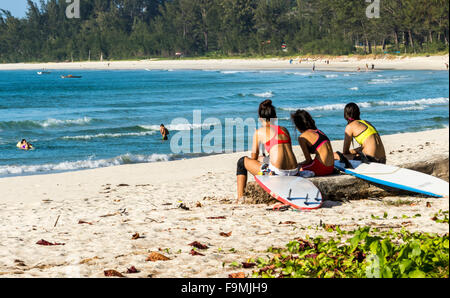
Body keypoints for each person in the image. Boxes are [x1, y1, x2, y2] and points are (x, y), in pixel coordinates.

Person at [236, 100, 298, 200]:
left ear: (260, 119)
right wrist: (265, 159)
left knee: (242, 161)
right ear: (275, 117)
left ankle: (240, 198)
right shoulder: (284, 130)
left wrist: (261, 159)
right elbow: (284, 153)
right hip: (294, 172)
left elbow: (253, 158)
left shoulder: (259, 132)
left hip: (278, 174)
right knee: (263, 159)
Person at [291, 110, 335, 176]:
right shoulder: (319, 132)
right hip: (330, 168)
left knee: (296, 169)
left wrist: (298, 164)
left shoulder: (302, 137)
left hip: (322, 168)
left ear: (298, 125)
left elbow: (308, 160)